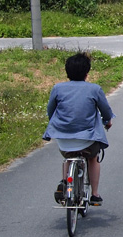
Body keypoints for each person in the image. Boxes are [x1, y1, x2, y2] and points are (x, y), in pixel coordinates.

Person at [43, 52, 115, 206]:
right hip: (87, 140)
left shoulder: (58, 88)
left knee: (68, 157)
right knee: (93, 159)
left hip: (63, 140)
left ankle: (65, 182)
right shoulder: (94, 89)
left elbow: (51, 111)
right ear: (87, 73)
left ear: (67, 71)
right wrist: (107, 122)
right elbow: (106, 112)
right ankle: (94, 194)